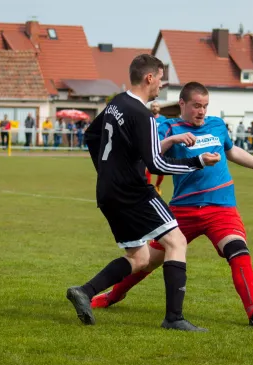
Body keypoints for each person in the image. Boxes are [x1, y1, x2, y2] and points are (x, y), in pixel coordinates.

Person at [91, 82, 253, 327]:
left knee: (238, 251)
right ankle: (112, 296)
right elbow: (150, 155)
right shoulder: (166, 126)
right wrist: (172, 139)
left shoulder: (216, 125)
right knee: (148, 260)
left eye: (205, 106)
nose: (201, 111)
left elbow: (232, 150)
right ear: (182, 104)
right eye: (196, 106)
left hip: (221, 207)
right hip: (183, 210)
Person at [66, 55, 220, 332]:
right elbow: (156, 164)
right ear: (149, 78)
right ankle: (174, 318)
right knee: (177, 242)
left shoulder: (116, 103)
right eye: (161, 78)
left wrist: (106, 171)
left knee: (140, 258)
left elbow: (92, 137)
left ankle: (84, 291)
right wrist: (197, 162)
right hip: (134, 192)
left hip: (108, 192)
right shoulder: (143, 114)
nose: (161, 85)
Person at [145, 101, 168, 194]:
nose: (155, 108)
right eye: (153, 106)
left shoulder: (163, 119)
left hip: (161, 146)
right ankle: (148, 188)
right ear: (151, 107)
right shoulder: (147, 117)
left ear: (159, 108)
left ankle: (157, 185)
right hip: (149, 145)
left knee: (160, 168)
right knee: (148, 167)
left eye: (156, 106)